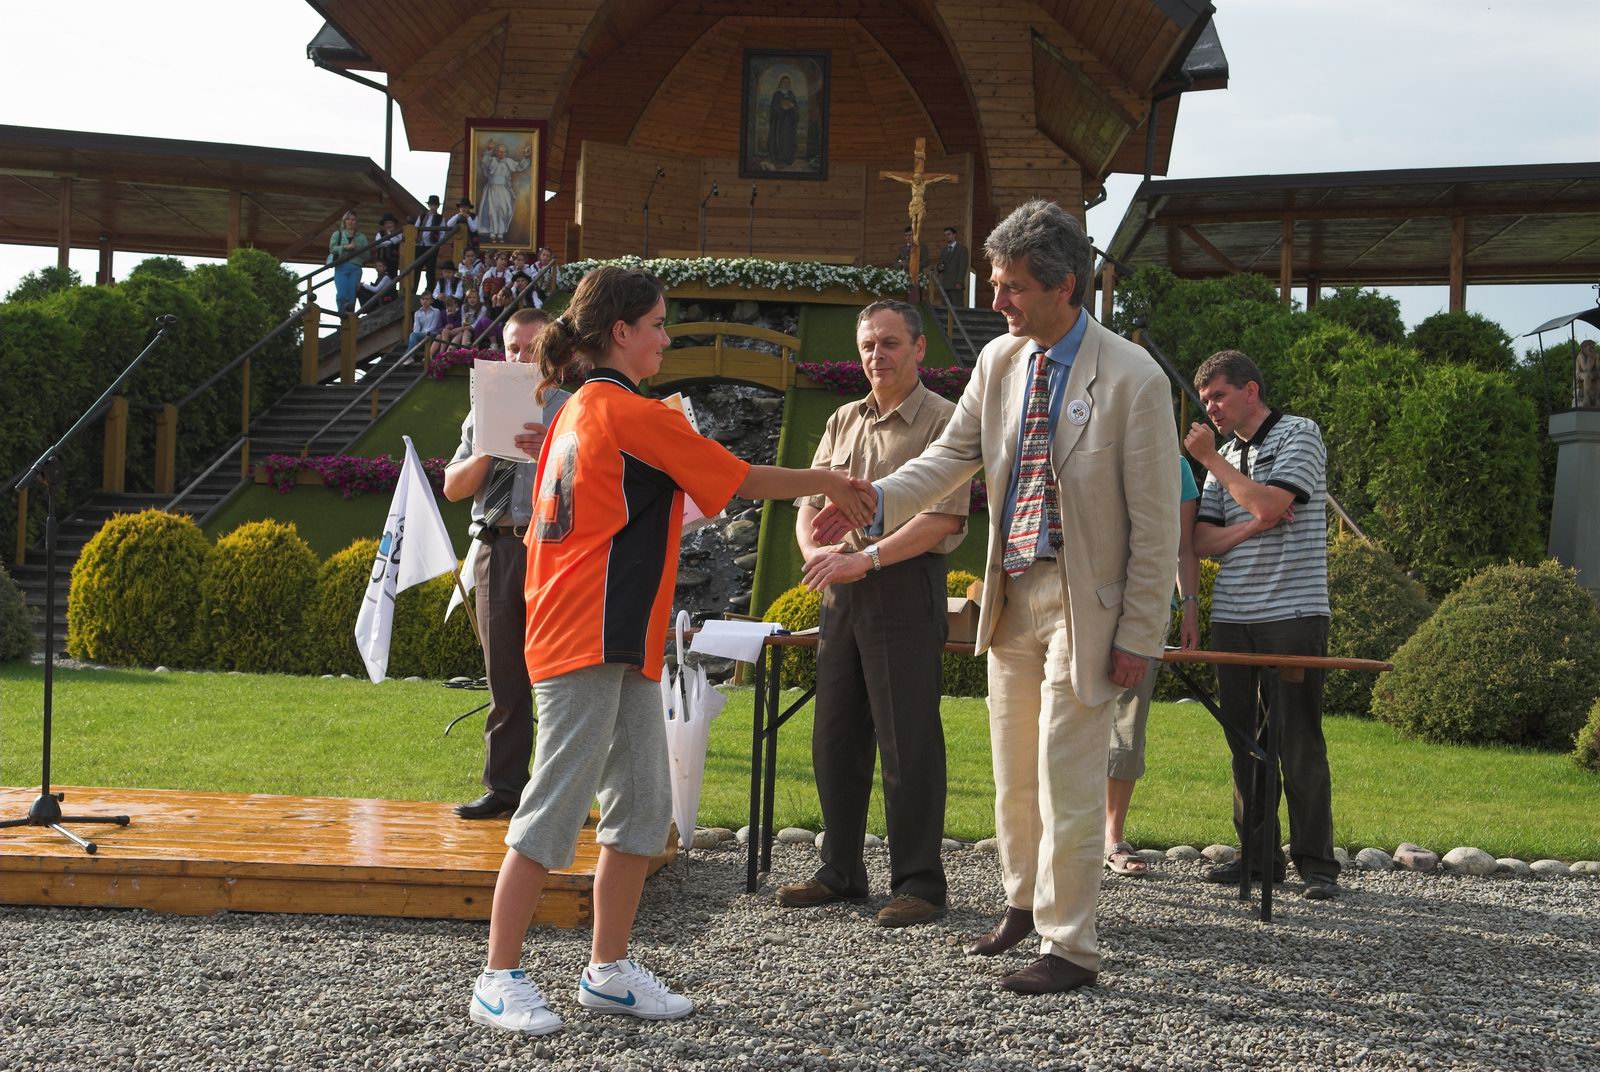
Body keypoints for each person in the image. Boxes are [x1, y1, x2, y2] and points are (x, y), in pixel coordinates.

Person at [468, 266, 874, 1035]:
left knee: (643, 809)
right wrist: (827, 477)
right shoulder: (630, 411)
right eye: (657, 324)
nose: (665, 337)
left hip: (607, 634)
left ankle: (608, 971)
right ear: (620, 332)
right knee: (552, 812)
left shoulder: (577, 408)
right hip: (589, 633)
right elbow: (740, 477)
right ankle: (498, 977)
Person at [813, 199, 1180, 994]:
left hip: (1087, 607)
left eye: (1012, 286)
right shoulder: (1001, 360)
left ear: (1065, 285)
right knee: (1014, 769)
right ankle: (1021, 902)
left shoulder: (1135, 378)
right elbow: (950, 458)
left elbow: (1157, 526)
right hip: (1011, 593)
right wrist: (873, 499)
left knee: (1065, 775)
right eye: (996, 281)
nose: (997, 300)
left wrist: (1139, 636)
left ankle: (1070, 946)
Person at [779, 300, 970, 928]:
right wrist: (816, 554)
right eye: (868, 345)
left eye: (889, 343)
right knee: (834, 734)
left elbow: (942, 519)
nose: (876, 355)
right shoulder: (843, 419)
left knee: (906, 738)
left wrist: (868, 559)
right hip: (841, 588)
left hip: (905, 586)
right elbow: (810, 504)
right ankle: (840, 870)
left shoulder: (944, 420)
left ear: (919, 348)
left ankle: (920, 882)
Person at [1184, 350, 1339, 900]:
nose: (1211, 408)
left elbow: (1271, 504)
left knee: (1298, 741)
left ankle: (1317, 865)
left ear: (1250, 391)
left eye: (1218, 396)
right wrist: (1253, 523)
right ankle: (1258, 859)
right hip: (1232, 617)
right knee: (1244, 742)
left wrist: (1216, 464)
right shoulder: (1225, 456)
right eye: (1205, 400)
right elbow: (1202, 541)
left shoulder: (1299, 433)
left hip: (1293, 613)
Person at [443, 307, 563, 821]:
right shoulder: (482, 410)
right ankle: (505, 788)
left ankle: (557, 795)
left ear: (553, 353)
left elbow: (596, 485)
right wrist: (488, 449)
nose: (520, 357)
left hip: (553, 550)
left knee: (558, 679)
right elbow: (454, 488)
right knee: (505, 676)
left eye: (532, 348)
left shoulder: (571, 409)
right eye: (513, 347)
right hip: (495, 548)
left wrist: (550, 451)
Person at [1103, 457, 1201, 877]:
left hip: (1146, 611)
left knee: (1128, 722)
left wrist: (1191, 607)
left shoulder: (1174, 466)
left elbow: (1183, 547)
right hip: (1087, 602)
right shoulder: (1093, 446)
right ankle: (1066, 833)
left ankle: (1112, 836)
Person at [479, 141, 532, 243]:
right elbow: (485, 162)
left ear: (506, 153)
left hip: (504, 189)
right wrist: (489, 150)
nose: (501, 154)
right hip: (492, 188)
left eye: (503, 152)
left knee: (504, 210)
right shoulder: (492, 160)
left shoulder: (509, 161)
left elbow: (519, 167)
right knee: (492, 211)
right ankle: (493, 233)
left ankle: (500, 233)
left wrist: (526, 156)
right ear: (496, 152)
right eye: (500, 152)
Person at [327, 210, 369, 314]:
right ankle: (342, 316)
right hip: (341, 267)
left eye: (353, 219)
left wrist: (357, 250)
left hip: (356, 268)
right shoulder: (338, 234)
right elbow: (332, 249)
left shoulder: (362, 237)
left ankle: (349, 319)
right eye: (348, 219)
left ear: (356, 222)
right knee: (341, 295)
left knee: (351, 297)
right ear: (344, 221)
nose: (350, 221)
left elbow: (367, 255)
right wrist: (345, 247)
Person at [414, 195, 447, 295]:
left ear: (437, 206)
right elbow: (415, 228)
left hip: (432, 246)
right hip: (420, 245)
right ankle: (413, 290)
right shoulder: (422, 216)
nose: (433, 207)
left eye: (435, 205)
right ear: (429, 205)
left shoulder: (440, 218)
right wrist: (415, 238)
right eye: (431, 205)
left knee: (430, 269)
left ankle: (429, 290)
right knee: (417, 268)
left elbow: (442, 233)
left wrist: (437, 244)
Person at [767, 75, 800, 166]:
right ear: (781, 83)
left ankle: (788, 158)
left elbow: (796, 108)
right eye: (784, 82)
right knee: (779, 138)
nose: (786, 84)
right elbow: (773, 107)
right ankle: (777, 158)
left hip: (789, 122)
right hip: (779, 122)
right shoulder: (777, 94)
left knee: (788, 139)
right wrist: (781, 108)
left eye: (788, 82)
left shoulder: (791, 94)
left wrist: (792, 106)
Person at [935, 227, 970, 308]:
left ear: (954, 235)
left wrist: (959, 282)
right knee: (945, 308)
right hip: (945, 284)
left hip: (955, 284)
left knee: (957, 308)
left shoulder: (962, 249)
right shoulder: (944, 250)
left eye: (949, 234)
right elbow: (940, 265)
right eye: (945, 235)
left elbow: (963, 267)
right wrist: (939, 268)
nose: (947, 236)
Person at [408, 290, 443, 354]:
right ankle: (409, 356)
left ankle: (409, 356)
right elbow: (416, 328)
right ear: (420, 300)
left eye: (427, 299)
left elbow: (434, 326)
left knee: (414, 336)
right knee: (413, 335)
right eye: (423, 299)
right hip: (422, 335)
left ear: (431, 301)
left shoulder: (436, 311)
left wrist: (422, 333)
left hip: (433, 334)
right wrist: (417, 335)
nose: (425, 301)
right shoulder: (417, 313)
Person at [373, 213, 403, 277]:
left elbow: (395, 241)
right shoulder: (380, 233)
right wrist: (390, 242)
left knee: (392, 277)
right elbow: (378, 244)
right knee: (381, 277)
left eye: (390, 223)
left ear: (394, 224)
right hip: (381, 260)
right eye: (386, 223)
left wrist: (389, 234)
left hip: (393, 261)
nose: (388, 225)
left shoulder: (399, 233)